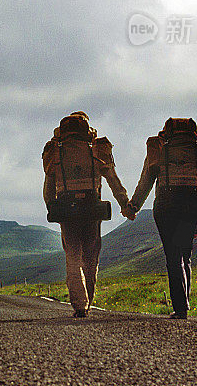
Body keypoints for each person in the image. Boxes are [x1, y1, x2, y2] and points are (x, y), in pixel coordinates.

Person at [43, 111, 134, 317]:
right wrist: (125, 204)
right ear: (86, 126)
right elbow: (113, 179)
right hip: (92, 208)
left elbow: (48, 188)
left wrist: (53, 209)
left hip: (66, 210)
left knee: (73, 256)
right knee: (91, 257)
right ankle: (88, 301)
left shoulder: (56, 151)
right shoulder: (96, 148)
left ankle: (80, 304)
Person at [124, 118, 197, 319]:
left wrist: (133, 206)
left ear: (167, 131)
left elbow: (146, 181)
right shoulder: (195, 148)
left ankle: (180, 308)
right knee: (186, 255)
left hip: (166, 205)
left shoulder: (159, 147)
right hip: (192, 203)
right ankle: (185, 304)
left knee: (173, 259)